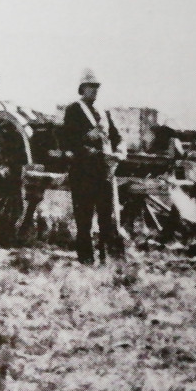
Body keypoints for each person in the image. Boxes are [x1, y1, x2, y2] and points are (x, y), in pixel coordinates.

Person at [60, 69, 126, 264]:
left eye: (97, 87)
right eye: (91, 87)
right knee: (84, 219)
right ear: (82, 89)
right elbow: (68, 141)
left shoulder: (104, 113)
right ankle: (86, 260)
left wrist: (120, 153)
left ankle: (106, 259)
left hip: (104, 173)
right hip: (83, 173)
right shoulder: (74, 110)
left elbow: (117, 137)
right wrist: (87, 140)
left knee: (106, 217)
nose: (94, 91)